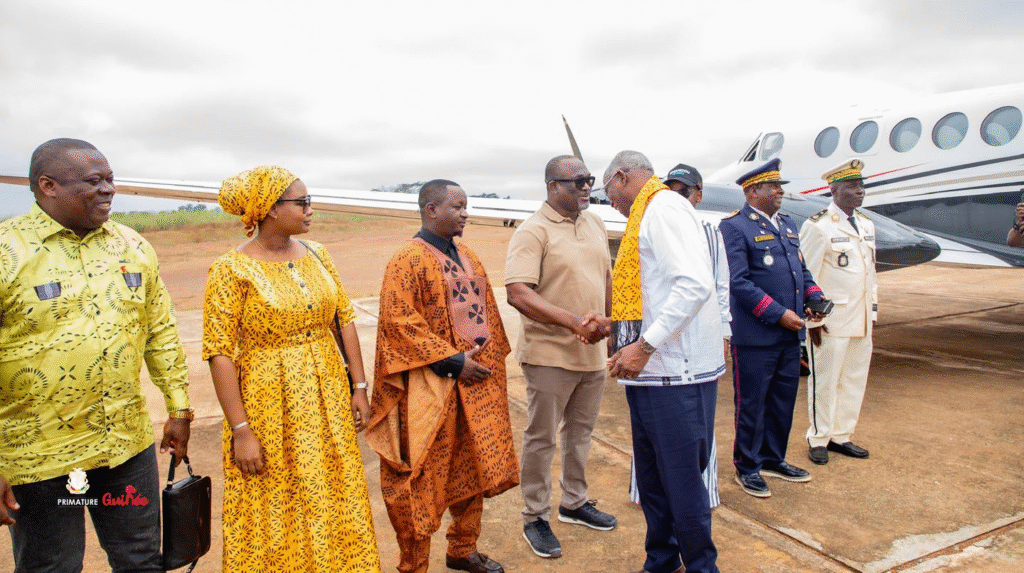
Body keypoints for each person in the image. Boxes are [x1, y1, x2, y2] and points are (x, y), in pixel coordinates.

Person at [0, 138, 192, 572]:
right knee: (51, 565)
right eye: (93, 181)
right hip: (38, 456)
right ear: (47, 186)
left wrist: (179, 407)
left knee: (141, 559)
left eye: (109, 179)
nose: (108, 189)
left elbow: (159, 331)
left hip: (125, 447)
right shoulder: (6, 252)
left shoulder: (133, 247)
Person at [202, 166, 381, 572]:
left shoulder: (318, 254)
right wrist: (240, 430)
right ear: (268, 209)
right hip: (268, 402)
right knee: (277, 493)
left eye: (308, 200)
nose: (309, 208)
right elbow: (219, 352)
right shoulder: (230, 270)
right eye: (301, 202)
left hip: (327, 393)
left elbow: (343, 319)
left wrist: (360, 385)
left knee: (333, 485)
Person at [366, 179, 518, 573]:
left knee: (473, 466)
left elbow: (488, 316)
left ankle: (463, 549)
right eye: (458, 206)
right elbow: (399, 324)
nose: (466, 213)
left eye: (466, 206)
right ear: (431, 209)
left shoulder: (469, 255)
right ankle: (413, 564)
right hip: (428, 392)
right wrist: (453, 362)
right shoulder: (407, 259)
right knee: (419, 479)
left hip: (474, 388)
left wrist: (488, 368)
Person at [598, 150, 723, 573]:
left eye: (607, 191)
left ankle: (701, 566)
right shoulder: (646, 213)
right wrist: (617, 325)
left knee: (683, 485)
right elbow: (654, 291)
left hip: (676, 377)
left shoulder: (663, 208)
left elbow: (693, 285)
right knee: (653, 483)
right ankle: (663, 559)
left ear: (621, 177)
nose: (609, 200)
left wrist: (643, 346)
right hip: (651, 377)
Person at [505, 155, 615, 560]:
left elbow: (605, 276)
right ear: (554, 186)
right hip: (550, 354)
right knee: (542, 438)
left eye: (589, 180)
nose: (587, 186)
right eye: (577, 181)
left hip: (592, 353)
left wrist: (608, 324)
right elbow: (518, 292)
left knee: (581, 433)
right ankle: (535, 516)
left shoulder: (596, 223)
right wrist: (573, 322)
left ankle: (574, 502)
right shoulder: (533, 232)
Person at [719, 158, 827, 499]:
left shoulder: (788, 225)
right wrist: (779, 314)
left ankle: (772, 458)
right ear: (753, 192)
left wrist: (815, 296)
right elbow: (739, 282)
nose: (781, 191)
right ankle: (747, 465)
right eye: (773, 187)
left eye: (780, 186)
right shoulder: (735, 228)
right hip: (756, 336)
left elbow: (801, 271)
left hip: (788, 333)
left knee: (782, 401)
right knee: (752, 403)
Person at [800, 159, 876, 465]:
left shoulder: (867, 224)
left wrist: (872, 314)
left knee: (854, 378)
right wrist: (811, 321)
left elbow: (871, 274)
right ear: (833, 190)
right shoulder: (818, 226)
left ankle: (842, 435)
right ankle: (818, 436)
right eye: (851, 186)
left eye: (861, 186)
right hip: (830, 320)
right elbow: (807, 276)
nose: (859, 191)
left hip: (861, 319)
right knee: (825, 380)